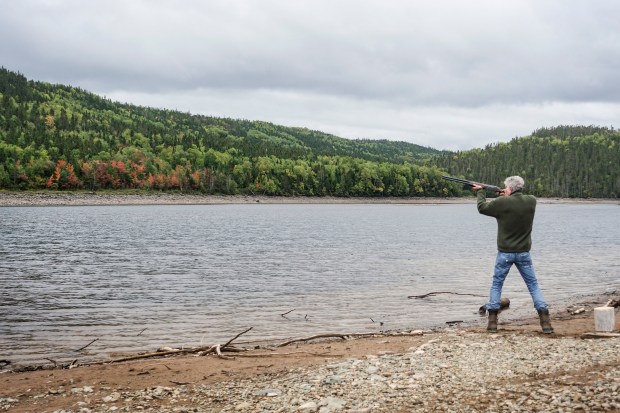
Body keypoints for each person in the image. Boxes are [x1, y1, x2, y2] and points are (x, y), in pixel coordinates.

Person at [472, 176, 554, 334]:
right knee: (533, 286)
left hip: (505, 253)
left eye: (505, 187)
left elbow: (482, 207)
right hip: (524, 253)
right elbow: (516, 201)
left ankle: (492, 324)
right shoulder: (531, 201)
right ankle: (545, 322)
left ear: (509, 188)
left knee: (497, 285)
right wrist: (506, 195)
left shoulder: (502, 203)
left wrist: (481, 192)